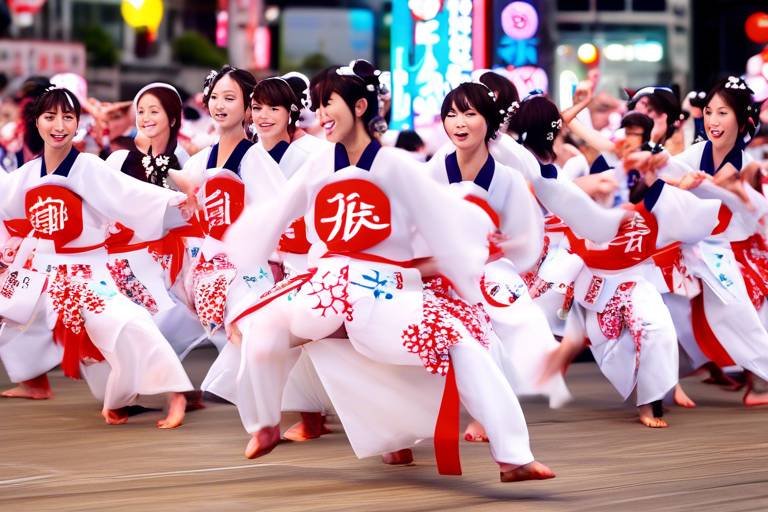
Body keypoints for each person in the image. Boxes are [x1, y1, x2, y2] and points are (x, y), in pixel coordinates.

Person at [222, 60, 555, 482]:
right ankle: (265, 424)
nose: (321, 113)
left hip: (369, 295)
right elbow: (278, 212)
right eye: (318, 105)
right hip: (335, 292)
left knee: (460, 342)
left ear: (360, 107)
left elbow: (439, 218)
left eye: (330, 104)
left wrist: (471, 252)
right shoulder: (324, 164)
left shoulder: (393, 166)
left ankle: (509, 457)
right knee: (262, 328)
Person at [0, 86, 194, 427]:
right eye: (50, 117)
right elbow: (7, 208)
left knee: (126, 323)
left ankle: (174, 392)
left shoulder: (88, 166)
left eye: (68, 117)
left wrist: (177, 201)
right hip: (47, 272)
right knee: (84, 351)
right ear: (37, 121)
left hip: (90, 270)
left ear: (78, 124)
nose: (59, 124)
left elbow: (130, 194)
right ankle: (113, 399)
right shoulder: (27, 174)